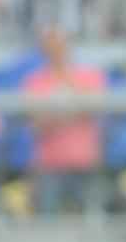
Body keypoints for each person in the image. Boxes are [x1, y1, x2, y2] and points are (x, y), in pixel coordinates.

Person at [24, 26, 106, 214]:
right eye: (51, 45)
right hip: (49, 166)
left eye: (60, 45)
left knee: (89, 222)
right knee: (48, 224)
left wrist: (56, 112)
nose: (56, 50)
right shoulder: (34, 81)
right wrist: (73, 110)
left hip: (85, 162)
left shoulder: (90, 75)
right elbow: (37, 123)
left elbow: (94, 109)